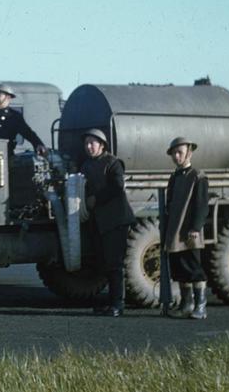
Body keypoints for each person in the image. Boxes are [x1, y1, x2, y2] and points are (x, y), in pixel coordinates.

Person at [79, 129, 135, 317]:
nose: (89, 146)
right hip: (99, 220)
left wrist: (96, 199)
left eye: (92, 143)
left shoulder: (113, 163)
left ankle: (118, 304)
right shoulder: (86, 165)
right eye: (86, 143)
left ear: (102, 145)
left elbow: (117, 187)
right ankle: (111, 302)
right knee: (103, 263)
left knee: (114, 263)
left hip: (116, 220)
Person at [163, 137, 210, 320]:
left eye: (180, 152)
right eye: (174, 153)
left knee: (193, 268)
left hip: (190, 231)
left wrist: (196, 228)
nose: (176, 156)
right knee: (180, 269)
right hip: (175, 231)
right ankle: (186, 304)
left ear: (189, 152)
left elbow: (201, 205)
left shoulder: (198, 176)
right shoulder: (174, 177)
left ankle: (201, 306)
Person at [0, 83, 47, 156]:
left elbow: (27, 132)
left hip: (6, 155)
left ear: (8, 97)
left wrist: (38, 144)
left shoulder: (14, 116)